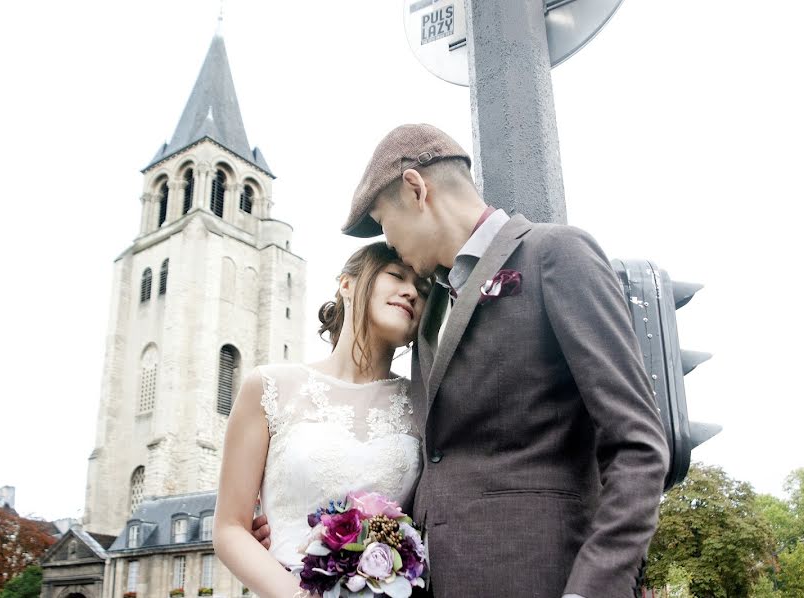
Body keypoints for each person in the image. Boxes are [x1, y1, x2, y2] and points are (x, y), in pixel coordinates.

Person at [338, 123, 670, 598]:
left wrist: (593, 588)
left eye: (383, 221)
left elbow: (637, 445)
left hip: (545, 577)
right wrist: (337, 540)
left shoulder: (555, 254)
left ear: (416, 188)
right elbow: (441, 459)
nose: (389, 243)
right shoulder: (431, 311)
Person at [213, 242, 432, 598]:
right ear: (346, 284)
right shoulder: (269, 387)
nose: (411, 292)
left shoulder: (423, 404)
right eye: (395, 276)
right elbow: (229, 528)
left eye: (422, 291)